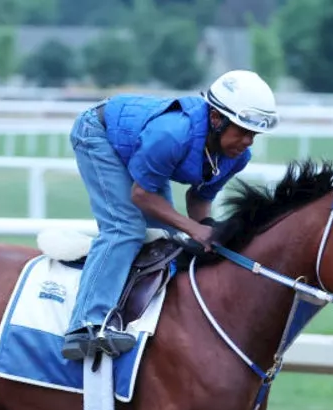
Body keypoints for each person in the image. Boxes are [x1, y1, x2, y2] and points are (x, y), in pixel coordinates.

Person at [60, 69, 280, 362]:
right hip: (99, 134)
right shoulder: (172, 135)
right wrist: (192, 227)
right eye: (241, 131)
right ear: (216, 119)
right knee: (125, 228)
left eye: (253, 134)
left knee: (165, 238)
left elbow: (200, 197)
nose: (248, 141)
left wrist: (205, 228)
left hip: (141, 149)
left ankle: (134, 316)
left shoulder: (237, 157)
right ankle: (85, 326)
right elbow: (141, 194)